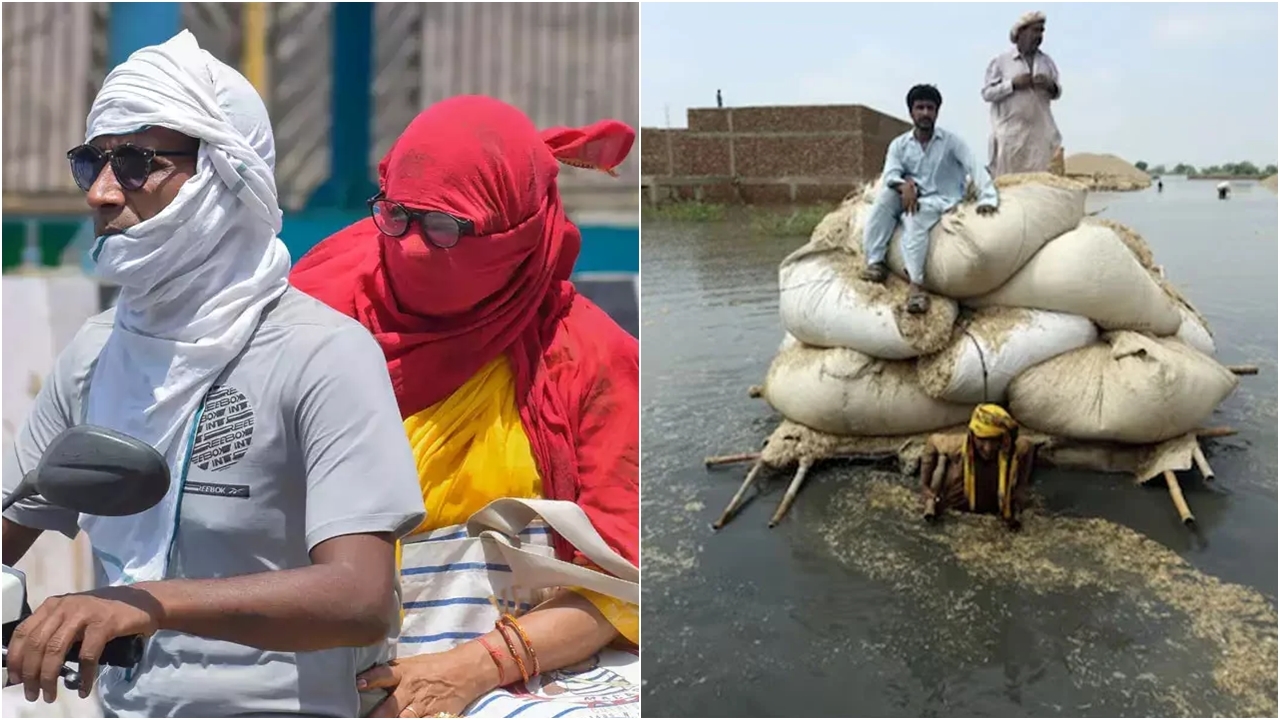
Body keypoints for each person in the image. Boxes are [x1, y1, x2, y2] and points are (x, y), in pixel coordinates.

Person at [1, 32, 425, 717]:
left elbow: (361, 599)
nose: (103, 195)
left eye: (137, 163)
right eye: (92, 163)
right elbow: (10, 522)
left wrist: (147, 605)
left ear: (227, 173)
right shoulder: (94, 355)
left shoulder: (322, 354)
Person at [289, 95, 639, 718]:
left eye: (446, 228)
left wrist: (473, 669)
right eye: (396, 216)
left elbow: (627, 583)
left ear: (520, 233)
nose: (414, 247)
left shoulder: (588, 358)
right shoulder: (309, 324)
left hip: (500, 680)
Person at [860, 84, 999, 314]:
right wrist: (903, 185)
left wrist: (988, 198)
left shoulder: (951, 143)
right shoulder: (899, 145)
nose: (925, 113)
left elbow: (974, 167)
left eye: (930, 108)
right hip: (909, 194)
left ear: (937, 112)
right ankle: (875, 262)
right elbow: (890, 174)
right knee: (884, 198)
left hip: (942, 200)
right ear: (911, 112)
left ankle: (916, 286)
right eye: (920, 107)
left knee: (914, 217)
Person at [919, 404, 1037, 531]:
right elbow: (932, 441)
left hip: (996, 510)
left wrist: (1021, 486)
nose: (988, 448)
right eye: (982, 440)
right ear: (972, 435)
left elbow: (1029, 447)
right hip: (959, 509)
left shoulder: (1012, 448)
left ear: (1004, 438)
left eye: (994, 440)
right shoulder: (957, 446)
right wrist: (925, 486)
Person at [982, 11, 1063, 176]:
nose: (1039, 36)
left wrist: (1050, 86)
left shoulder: (1047, 62)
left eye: (1042, 31)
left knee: (1039, 188)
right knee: (1009, 188)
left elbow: (1057, 92)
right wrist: (1012, 84)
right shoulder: (1001, 62)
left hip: (1040, 137)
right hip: (1011, 138)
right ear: (1021, 33)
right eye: (1035, 31)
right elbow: (987, 93)